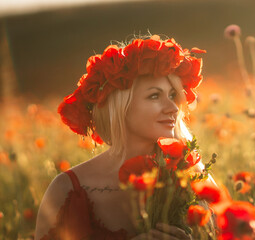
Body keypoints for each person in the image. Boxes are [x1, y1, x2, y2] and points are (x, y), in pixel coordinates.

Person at [35, 34, 214, 240]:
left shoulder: (192, 175)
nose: (173, 108)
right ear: (120, 107)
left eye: (173, 95)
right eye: (154, 96)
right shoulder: (66, 189)